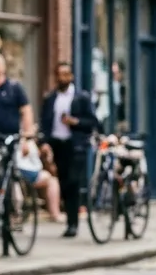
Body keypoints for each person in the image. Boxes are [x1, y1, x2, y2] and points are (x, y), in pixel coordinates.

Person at [40, 63, 97, 238]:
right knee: (64, 183)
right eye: (59, 74)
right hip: (58, 145)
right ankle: (70, 222)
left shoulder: (82, 98)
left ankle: (73, 223)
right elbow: (45, 123)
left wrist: (75, 122)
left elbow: (92, 123)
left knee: (73, 181)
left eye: (65, 74)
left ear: (71, 76)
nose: (62, 78)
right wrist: (44, 142)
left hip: (76, 145)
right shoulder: (50, 99)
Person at [15, 139, 63, 223]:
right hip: (24, 171)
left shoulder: (32, 141)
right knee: (50, 179)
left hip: (29, 171)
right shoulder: (25, 139)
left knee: (51, 179)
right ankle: (55, 213)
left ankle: (54, 213)